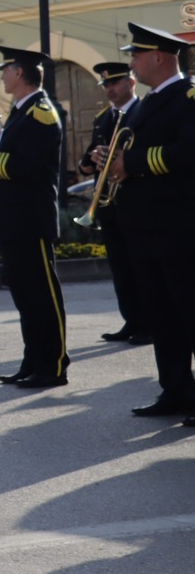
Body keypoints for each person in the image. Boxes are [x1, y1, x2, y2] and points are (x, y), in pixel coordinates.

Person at [97, 24, 194, 422]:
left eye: (136, 55)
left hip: (179, 223)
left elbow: (188, 151)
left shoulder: (188, 96)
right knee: (161, 312)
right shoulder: (144, 103)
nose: (131, 62)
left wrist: (130, 164)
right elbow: (133, 147)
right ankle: (175, 390)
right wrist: (109, 159)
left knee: (188, 307)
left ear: (159, 58)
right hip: (144, 224)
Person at [0, 45, 69, 390]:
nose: (1, 75)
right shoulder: (20, 112)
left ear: (19, 73)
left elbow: (24, 168)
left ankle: (55, 364)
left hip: (31, 219)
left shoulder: (41, 113)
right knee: (26, 298)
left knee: (43, 296)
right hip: (13, 219)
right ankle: (33, 361)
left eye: (5, 69)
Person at [79, 60, 149, 344]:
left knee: (141, 267)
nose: (109, 88)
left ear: (131, 83)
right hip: (109, 204)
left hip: (136, 200)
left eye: (115, 83)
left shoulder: (144, 113)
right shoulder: (103, 119)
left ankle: (149, 324)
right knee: (120, 268)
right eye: (106, 84)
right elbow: (84, 164)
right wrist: (93, 158)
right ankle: (131, 321)